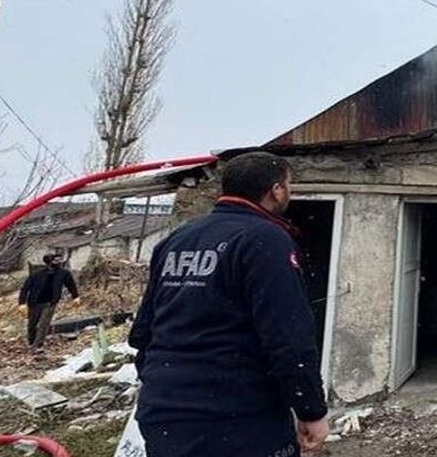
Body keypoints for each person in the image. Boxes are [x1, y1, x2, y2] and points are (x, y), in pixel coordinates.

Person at [130, 152, 330, 457]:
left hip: (164, 415)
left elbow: (143, 332)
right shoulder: (266, 239)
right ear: (277, 190)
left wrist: (165, 388)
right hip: (237, 418)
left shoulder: (176, 240)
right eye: (289, 185)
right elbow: (287, 336)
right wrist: (311, 410)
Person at [17, 253, 79, 349]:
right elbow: (25, 288)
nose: (59, 262)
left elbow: (71, 285)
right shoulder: (37, 274)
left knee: (44, 324)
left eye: (60, 260)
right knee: (32, 324)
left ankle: (38, 345)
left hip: (50, 303)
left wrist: (75, 297)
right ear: (49, 262)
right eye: (56, 261)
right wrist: (22, 303)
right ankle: (31, 341)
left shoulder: (64, 273)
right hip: (34, 302)